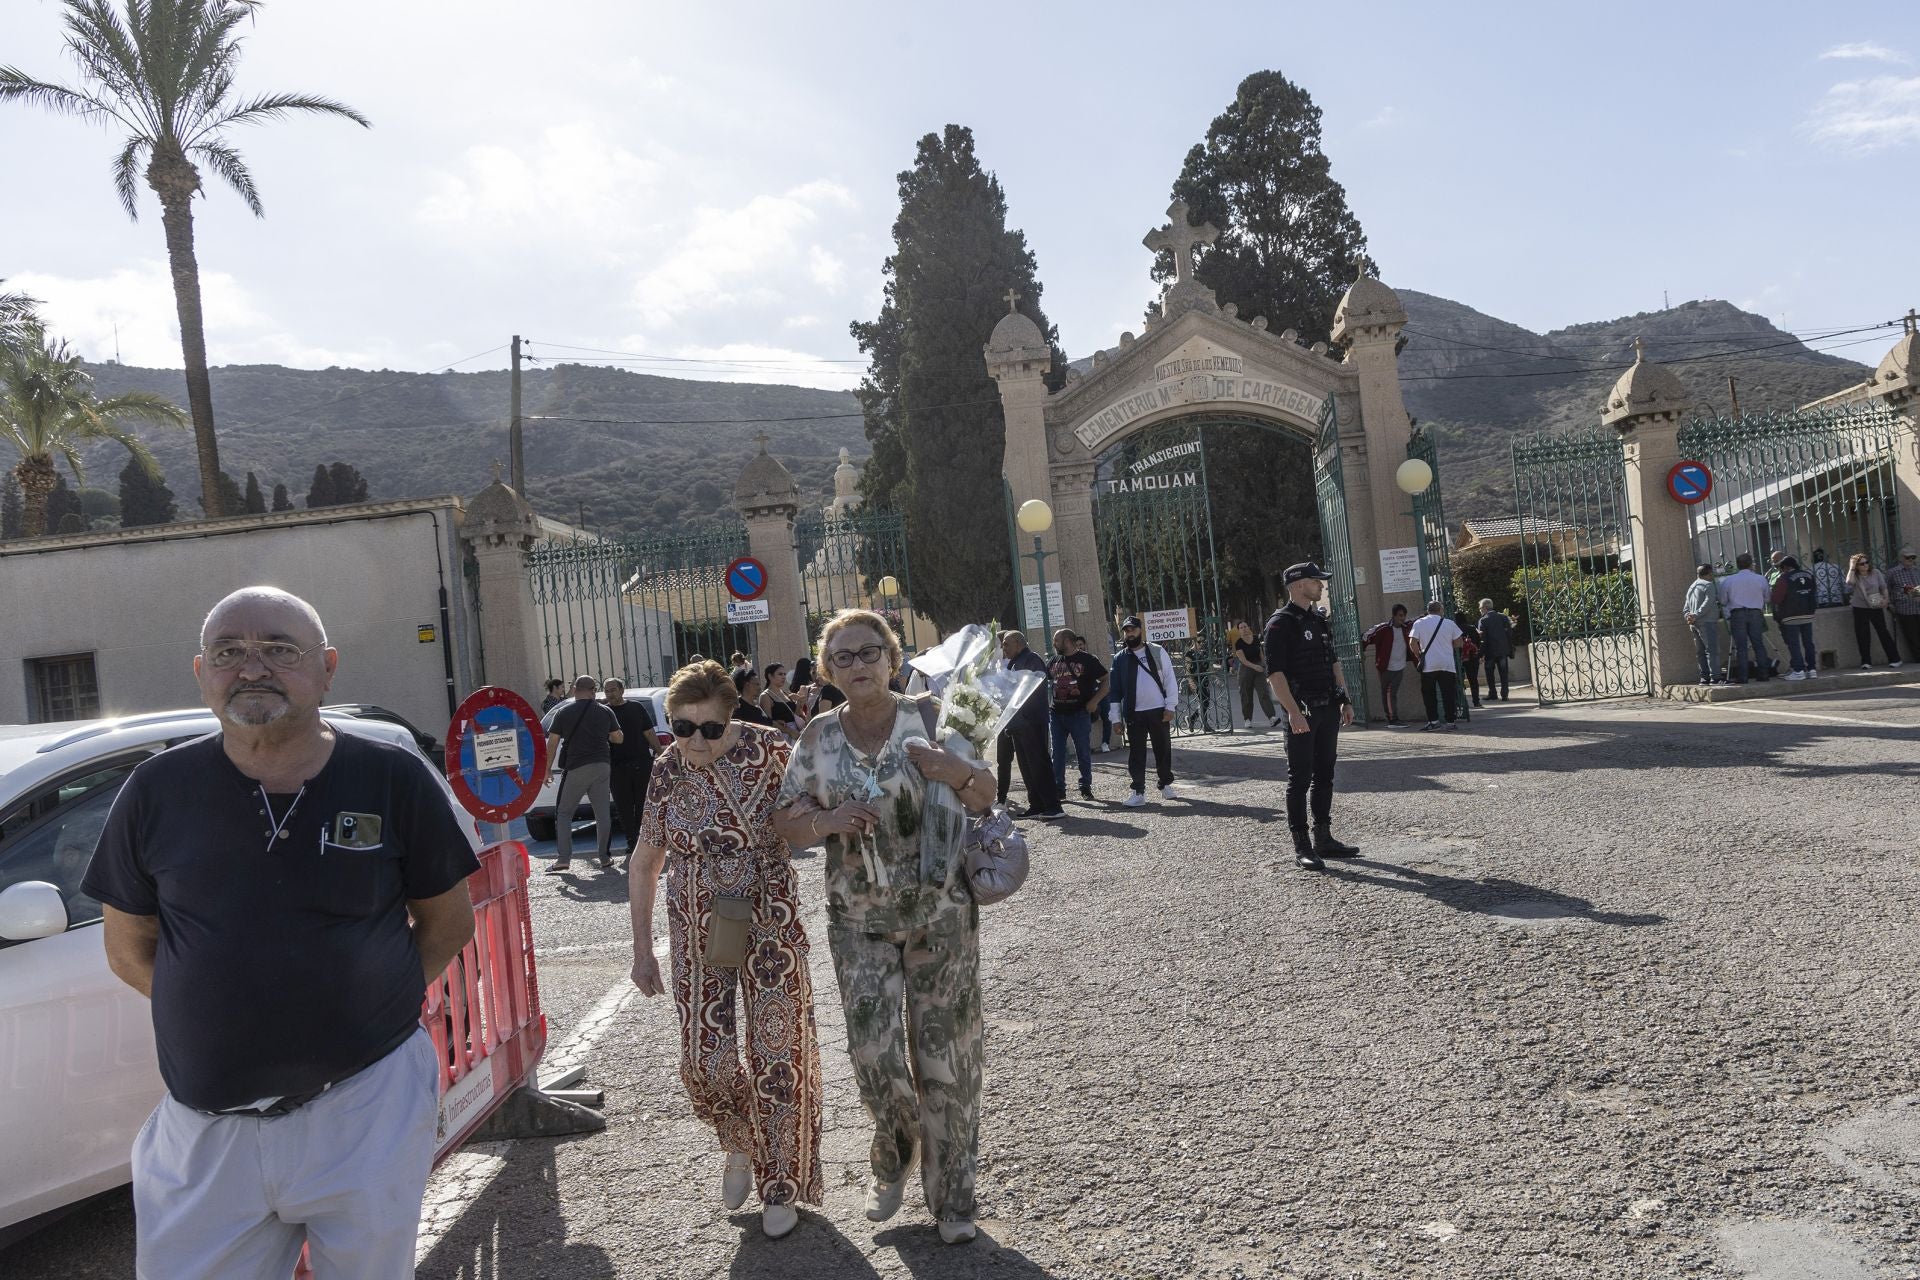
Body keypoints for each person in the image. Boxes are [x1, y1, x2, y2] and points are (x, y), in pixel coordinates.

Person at [84, 586, 478, 1277]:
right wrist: (222, 1017)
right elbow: (127, 948)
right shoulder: (155, 790)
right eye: (228, 652)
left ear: (327, 668)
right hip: (205, 1135)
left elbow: (446, 924)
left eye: (279, 650)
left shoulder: (392, 780)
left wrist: (369, 1007)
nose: (253, 667)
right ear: (201, 673)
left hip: (364, 1111)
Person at [768, 609, 997, 1245]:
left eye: (870, 651)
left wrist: (955, 773)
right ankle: (894, 1156)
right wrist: (828, 821)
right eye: (842, 657)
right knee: (874, 1054)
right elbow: (786, 821)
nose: (858, 664)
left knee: (948, 1060)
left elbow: (986, 794)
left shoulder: (935, 716)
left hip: (941, 917)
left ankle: (953, 1199)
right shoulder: (816, 736)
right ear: (827, 670)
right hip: (860, 922)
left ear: (893, 659)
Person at [627, 661, 822, 1240]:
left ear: (730, 717)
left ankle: (780, 1182)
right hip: (693, 922)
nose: (696, 741)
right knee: (702, 1057)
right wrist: (643, 950)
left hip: (768, 916)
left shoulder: (771, 751)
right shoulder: (666, 769)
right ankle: (737, 1138)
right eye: (682, 728)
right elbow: (644, 860)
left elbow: (808, 818)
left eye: (709, 728)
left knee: (776, 1051)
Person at [1263, 563, 1358, 870]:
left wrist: (1344, 699)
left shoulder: (1318, 620)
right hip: (1301, 712)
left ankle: (1324, 837)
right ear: (1298, 584)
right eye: (1316, 581)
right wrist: (1292, 713)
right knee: (1300, 779)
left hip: (1328, 708)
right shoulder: (1280, 624)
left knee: (1325, 774)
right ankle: (1302, 845)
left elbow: (1333, 662)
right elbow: (1275, 674)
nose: (1321, 585)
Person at [545, 675, 624, 872]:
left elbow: (552, 742)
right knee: (602, 813)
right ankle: (605, 858)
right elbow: (618, 738)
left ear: (574, 689)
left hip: (576, 767)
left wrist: (546, 769)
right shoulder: (605, 711)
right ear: (593, 690)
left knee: (564, 813)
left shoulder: (563, 712)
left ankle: (563, 859)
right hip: (602, 766)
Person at [992, 630, 1062, 819]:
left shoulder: (1032, 659)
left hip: (1031, 722)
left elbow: (1031, 690)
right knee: (1026, 766)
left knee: (1039, 764)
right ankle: (1037, 804)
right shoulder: (1014, 663)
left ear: (1017, 643)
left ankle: (1053, 806)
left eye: (1006, 644)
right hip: (1018, 725)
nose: (1003, 648)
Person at [1111, 615, 1179, 807]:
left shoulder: (1157, 651)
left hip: (1158, 710)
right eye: (1126, 630)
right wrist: (1116, 719)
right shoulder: (1119, 659)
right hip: (1134, 713)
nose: (1129, 633)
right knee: (1136, 753)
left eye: (1132, 629)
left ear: (1140, 630)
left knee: (1163, 749)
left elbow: (1169, 679)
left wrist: (1170, 706)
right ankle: (1138, 791)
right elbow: (1114, 692)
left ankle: (1165, 784)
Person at [1046, 627, 1108, 801]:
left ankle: (1085, 786)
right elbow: (1043, 678)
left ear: (1067, 641)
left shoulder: (1087, 660)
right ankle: (1059, 788)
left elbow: (1105, 680)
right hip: (1056, 714)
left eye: (1056, 640)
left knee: (1082, 751)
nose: (1054, 644)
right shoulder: (1054, 660)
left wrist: (1095, 701)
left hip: (1079, 714)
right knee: (1057, 752)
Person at [603, 678, 658, 862]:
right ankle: (631, 841)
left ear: (621, 690)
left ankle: (643, 841)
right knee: (623, 806)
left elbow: (649, 732)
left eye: (613, 690)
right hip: (616, 766)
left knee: (643, 804)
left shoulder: (636, 708)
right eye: (607, 690)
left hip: (641, 762)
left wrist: (659, 752)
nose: (610, 694)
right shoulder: (603, 712)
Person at [1408, 600, 1463, 731]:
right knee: (1448, 693)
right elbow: (1458, 643)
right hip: (1447, 664)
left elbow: (1412, 643)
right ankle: (1450, 722)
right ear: (1441, 610)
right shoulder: (1449, 623)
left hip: (1428, 665)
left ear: (1428, 610)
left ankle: (1433, 721)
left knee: (1429, 694)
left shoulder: (1419, 623)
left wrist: (1419, 656)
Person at [1718, 553, 1772, 684]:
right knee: (1758, 644)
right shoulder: (1760, 579)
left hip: (1737, 614)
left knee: (1741, 646)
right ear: (1750, 564)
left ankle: (1743, 677)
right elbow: (1767, 598)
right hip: (1755, 613)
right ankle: (1764, 674)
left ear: (1737, 565)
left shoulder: (1729, 580)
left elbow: (1723, 601)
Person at [1845, 552, 1903, 668]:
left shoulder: (1876, 573)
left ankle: (1895, 659)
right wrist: (1851, 566)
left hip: (1876, 606)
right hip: (1860, 608)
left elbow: (1883, 587)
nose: (1865, 565)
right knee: (1862, 634)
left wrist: (1886, 599)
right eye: (1861, 564)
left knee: (1883, 632)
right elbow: (1849, 582)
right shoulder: (1855, 575)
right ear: (1857, 566)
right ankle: (1866, 661)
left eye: (1866, 562)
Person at [1362, 605, 1414, 726]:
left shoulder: (1406, 627)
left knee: (1391, 693)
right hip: (1386, 667)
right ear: (1394, 616)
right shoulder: (1383, 628)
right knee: (1388, 692)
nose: (1403, 618)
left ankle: (1393, 718)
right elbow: (1366, 636)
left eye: (1404, 615)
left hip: (1400, 666)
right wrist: (1361, 652)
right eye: (1400, 615)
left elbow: (1417, 620)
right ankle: (1392, 719)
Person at [1770, 557, 1820, 680]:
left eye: (1781, 568)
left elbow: (1777, 598)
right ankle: (1812, 669)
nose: (1781, 571)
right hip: (1807, 614)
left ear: (1785, 567)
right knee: (1808, 642)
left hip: (1790, 615)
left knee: (1794, 644)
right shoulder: (1809, 575)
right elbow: (1814, 592)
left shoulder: (1784, 578)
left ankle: (1798, 671)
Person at [1230, 620, 1279, 729]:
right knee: (1246, 695)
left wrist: (1264, 665)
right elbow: (1242, 660)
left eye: (1245, 626)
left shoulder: (1256, 638)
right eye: (1241, 627)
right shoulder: (1238, 643)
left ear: (1248, 627)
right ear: (1239, 630)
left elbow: (1261, 653)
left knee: (1264, 693)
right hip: (1246, 669)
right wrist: (1254, 666)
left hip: (1259, 668)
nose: (1244, 629)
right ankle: (1247, 719)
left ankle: (1272, 718)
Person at [1683, 564, 1725, 686]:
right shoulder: (1708, 585)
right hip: (1707, 622)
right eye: (1711, 573)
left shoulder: (1692, 586)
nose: (1712, 576)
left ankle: (1704, 678)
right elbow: (1708, 602)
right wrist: (1696, 615)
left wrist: (1689, 616)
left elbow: (1686, 607)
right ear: (1709, 573)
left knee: (1701, 652)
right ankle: (1715, 677)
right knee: (1712, 650)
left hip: (1694, 623)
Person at [1476, 598, 1514, 701]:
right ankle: (1505, 694)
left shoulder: (1483, 620)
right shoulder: (1503, 617)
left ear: (1484, 608)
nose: (1480, 610)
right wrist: (1509, 648)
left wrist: (1480, 653)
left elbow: (1482, 639)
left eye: (1480, 608)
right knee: (1503, 672)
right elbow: (1509, 634)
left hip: (1490, 651)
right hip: (1503, 650)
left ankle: (1493, 693)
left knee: (1489, 673)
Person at [1888, 547, 1920, 663]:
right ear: (1901, 558)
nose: (1911, 559)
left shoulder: (1917, 570)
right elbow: (1888, 589)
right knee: (1912, 635)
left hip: (1918, 607)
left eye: (1913, 557)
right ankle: (1918, 657)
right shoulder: (1893, 572)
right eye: (1908, 557)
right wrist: (1890, 604)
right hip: (1904, 608)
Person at [760, 663, 802, 741]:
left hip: (796, 734)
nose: (783, 677)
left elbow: (795, 716)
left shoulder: (786, 693)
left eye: (784, 674)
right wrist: (790, 731)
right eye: (780, 674)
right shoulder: (765, 696)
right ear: (770, 676)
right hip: (781, 737)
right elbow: (768, 722)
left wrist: (799, 702)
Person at [1453, 608, 1484, 712]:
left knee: (1458, 680)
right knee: (1473, 680)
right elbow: (1478, 642)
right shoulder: (1471, 628)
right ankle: (1476, 701)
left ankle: (1459, 702)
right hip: (1472, 658)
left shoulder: (1455, 629)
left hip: (1459, 658)